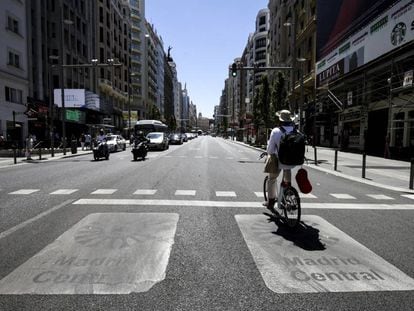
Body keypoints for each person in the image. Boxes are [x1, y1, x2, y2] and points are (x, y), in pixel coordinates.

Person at [263, 110, 298, 213]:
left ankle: (271, 201)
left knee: (272, 179)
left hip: (279, 160)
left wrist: (269, 153)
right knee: (287, 179)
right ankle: (288, 194)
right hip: (292, 161)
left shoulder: (276, 131)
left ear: (280, 120)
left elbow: (270, 150)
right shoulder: (295, 130)